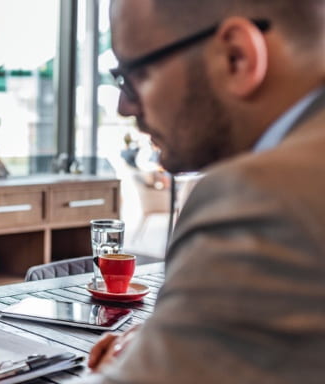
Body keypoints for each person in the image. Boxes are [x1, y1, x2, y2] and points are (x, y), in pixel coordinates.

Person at [80, 0, 325, 383]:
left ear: (236, 56)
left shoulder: (258, 199)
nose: (125, 106)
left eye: (133, 75)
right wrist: (186, 336)